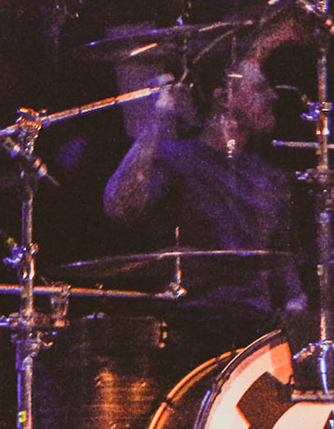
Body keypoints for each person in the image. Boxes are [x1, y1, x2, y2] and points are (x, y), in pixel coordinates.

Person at [103, 37, 306, 334]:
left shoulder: (271, 177)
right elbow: (120, 206)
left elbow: (284, 270)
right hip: (192, 324)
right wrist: (159, 116)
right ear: (223, 97)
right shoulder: (176, 158)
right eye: (260, 88)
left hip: (260, 328)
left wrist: (297, 308)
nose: (272, 96)